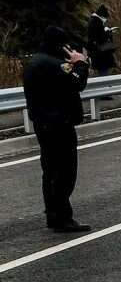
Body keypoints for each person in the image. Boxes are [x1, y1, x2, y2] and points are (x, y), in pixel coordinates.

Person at [23, 26, 92, 233]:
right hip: (59, 124)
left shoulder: (34, 63)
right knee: (65, 172)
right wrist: (80, 63)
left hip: (43, 124)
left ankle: (52, 213)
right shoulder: (56, 65)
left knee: (50, 171)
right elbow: (77, 83)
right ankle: (62, 216)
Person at [86, 5, 117, 77]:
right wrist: (108, 33)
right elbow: (100, 38)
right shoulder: (96, 23)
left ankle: (103, 83)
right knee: (102, 71)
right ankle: (103, 85)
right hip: (101, 54)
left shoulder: (94, 22)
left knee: (102, 71)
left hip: (99, 53)